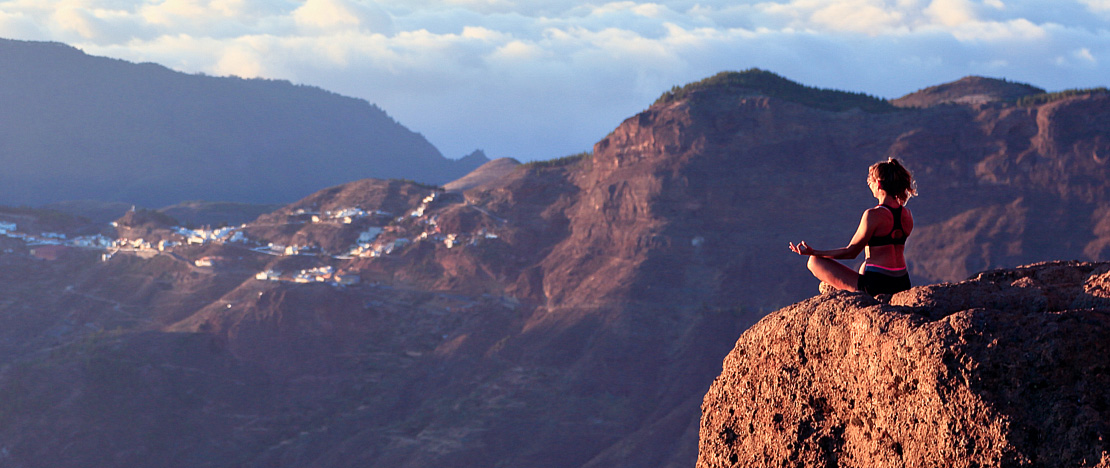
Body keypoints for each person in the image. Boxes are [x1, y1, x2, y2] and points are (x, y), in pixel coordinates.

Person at [788, 158, 917, 296]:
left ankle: (862, 295)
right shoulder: (907, 215)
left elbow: (851, 252)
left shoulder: (873, 215)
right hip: (903, 283)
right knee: (864, 266)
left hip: (877, 285)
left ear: (879, 184)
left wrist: (813, 252)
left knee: (814, 262)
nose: (869, 185)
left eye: (871, 182)